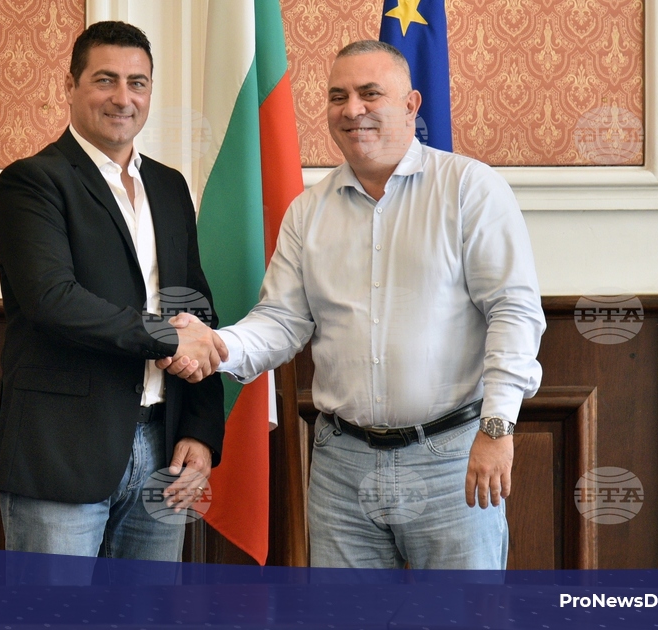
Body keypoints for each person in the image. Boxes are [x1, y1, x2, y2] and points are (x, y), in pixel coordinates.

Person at [161, 40, 545, 570]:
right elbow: (281, 321)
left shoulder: (469, 189)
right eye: (338, 96)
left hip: (452, 460)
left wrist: (497, 428)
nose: (352, 109)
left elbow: (513, 313)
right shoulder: (307, 211)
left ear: (411, 104)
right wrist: (215, 343)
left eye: (370, 94)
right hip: (341, 469)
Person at [0, 21, 225, 561]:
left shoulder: (169, 185)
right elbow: (53, 300)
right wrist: (168, 337)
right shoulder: (33, 181)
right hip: (62, 452)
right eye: (105, 80)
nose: (123, 98)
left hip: (164, 451)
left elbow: (196, 309)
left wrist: (201, 429)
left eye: (137, 83)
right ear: (69, 86)